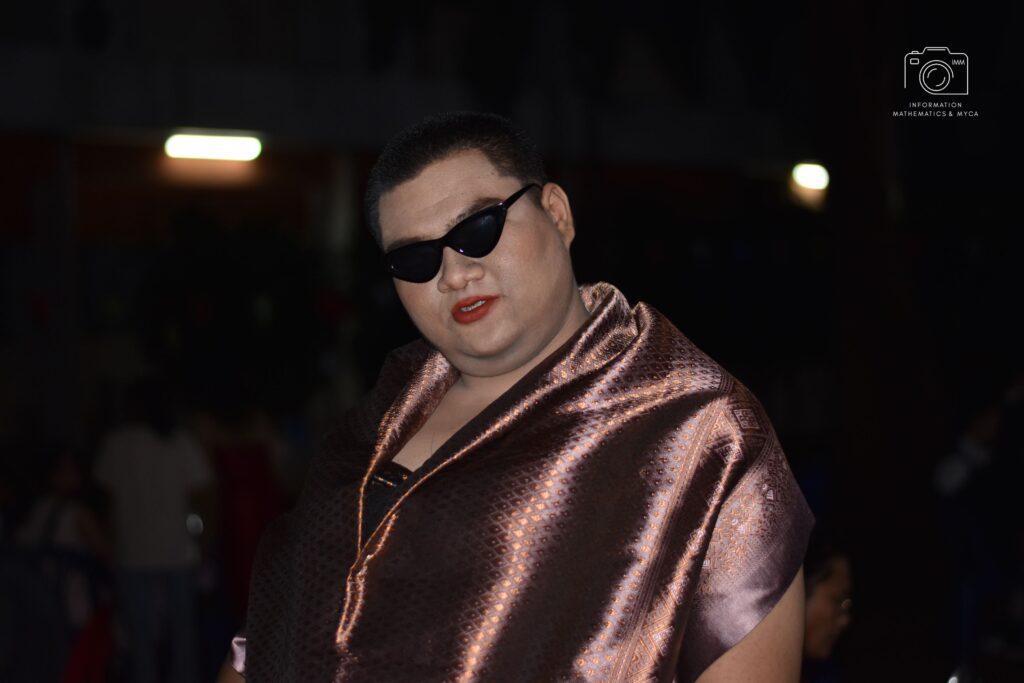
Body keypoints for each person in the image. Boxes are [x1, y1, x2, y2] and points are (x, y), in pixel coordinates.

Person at [221, 112, 814, 682]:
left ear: (557, 214)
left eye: (478, 230)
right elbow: (269, 641)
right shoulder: (368, 429)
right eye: (416, 258)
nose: (455, 274)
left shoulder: (694, 429)